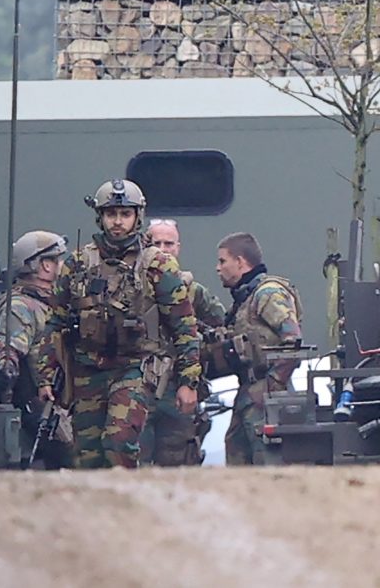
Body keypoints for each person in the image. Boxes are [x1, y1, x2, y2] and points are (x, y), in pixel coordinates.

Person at [32, 179, 201, 469]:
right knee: (87, 455)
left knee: (119, 442)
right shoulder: (77, 264)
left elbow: (184, 327)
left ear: (138, 216)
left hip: (134, 367)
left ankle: (127, 495)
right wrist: (45, 377)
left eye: (125, 214)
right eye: (111, 214)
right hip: (86, 370)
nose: (118, 222)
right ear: (101, 217)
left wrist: (189, 381)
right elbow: (55, 323)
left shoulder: (157, 265)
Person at [140, 218, 226, 466]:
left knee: (179, 462)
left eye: (169, 244)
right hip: (138, 387)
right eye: (156, 243)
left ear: (178, 247)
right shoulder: (133, 287)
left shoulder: (193, 291)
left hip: (177, 387)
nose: (163, 249)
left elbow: (221, 322)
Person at [214, 232, 302, 465]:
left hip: (266, 396)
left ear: (240, 262)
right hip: (248, 393)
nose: (218, 268)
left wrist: (273, 385)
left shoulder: (267, 293)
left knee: (268, 463)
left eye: (222, 261)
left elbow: (293, 341)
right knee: (238, 460)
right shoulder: (245, 299)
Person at [0, 230, 72, 468]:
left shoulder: (54, 301)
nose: (62, 266)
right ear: (45, 265)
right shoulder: (21, 306)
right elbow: (10, 351)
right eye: (58, 260)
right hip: (41, 404)